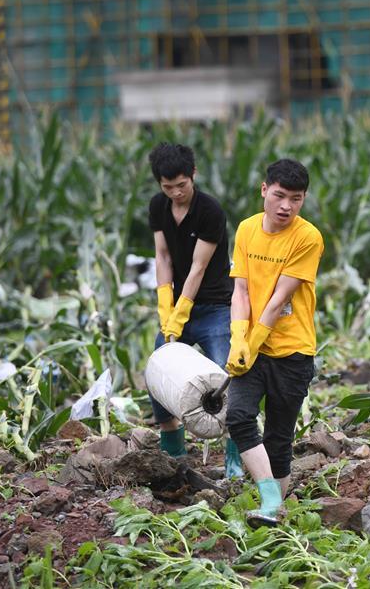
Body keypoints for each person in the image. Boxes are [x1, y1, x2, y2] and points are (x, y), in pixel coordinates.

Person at [225, 158, 324, 526]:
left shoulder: (307, 237)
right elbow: (241, 289)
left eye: (295, 199)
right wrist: (238, 339)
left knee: (279, 438)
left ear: (303, 199)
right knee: (237, 416)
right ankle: (269, 498)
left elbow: (279, 298)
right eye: (280, 195)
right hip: (252, 346)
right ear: (264, 190)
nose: (286, 206)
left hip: (292, 351)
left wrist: (253, 341)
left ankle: (274, 516)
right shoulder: (247, 230)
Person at [147, 142, 243, 479]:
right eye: (167, 186)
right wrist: (165, 305)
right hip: (177, 304)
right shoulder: (159, 207)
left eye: (181, 185)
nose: (175, 193)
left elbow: (198, 268)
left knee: (224, 375)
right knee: (158, 367)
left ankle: (235, 454)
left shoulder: (210, 211)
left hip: (215, 305)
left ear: (193, 175)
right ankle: (172, 445)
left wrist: (182, 309)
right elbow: (163, 257)